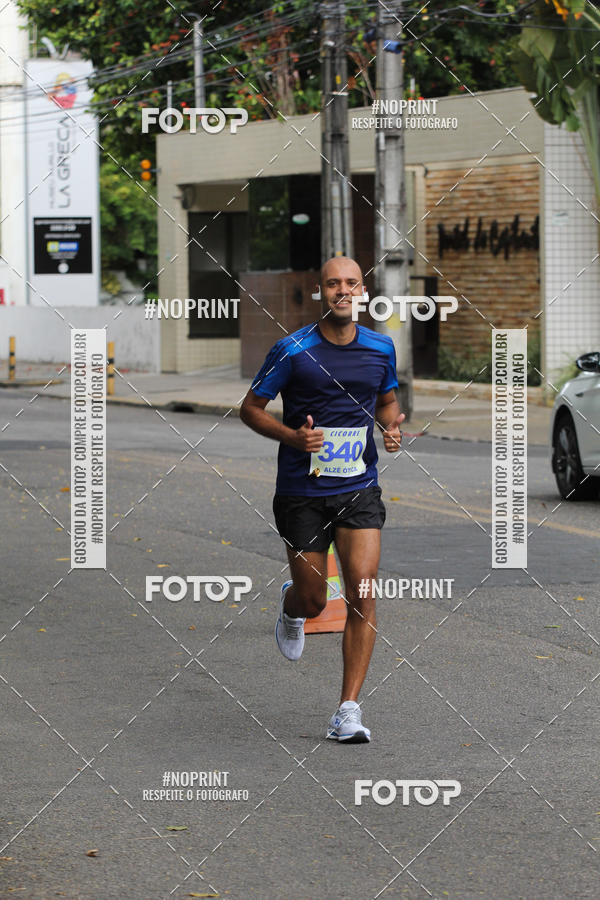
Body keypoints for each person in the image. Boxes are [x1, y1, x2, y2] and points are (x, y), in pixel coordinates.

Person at [240, 256, 405, 743]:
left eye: (351, 283)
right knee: (315, 598)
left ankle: (347, 711)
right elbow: (250, 409)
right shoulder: (293, 350)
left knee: (362, 591)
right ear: (321, 291)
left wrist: (390, 426)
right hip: (302, 492)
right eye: (333, 283)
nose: (343, 291)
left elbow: (388, 401)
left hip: (358, 487)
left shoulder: (380, 347)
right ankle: (293, 610)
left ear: (362, 290)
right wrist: (293, 438)